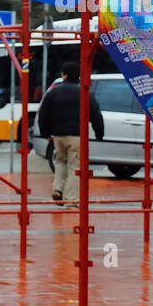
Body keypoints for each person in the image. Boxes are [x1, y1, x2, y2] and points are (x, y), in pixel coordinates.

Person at [35, 61, 104, 208]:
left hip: (58, 135)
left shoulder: (53, 92)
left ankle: (57, 189)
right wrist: (99, 134)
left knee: (60, 161)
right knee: (75, 167)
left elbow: (43, 114)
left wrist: (45, 133)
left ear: (64, 75)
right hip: (77, 136)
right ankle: (71, 199)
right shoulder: (85, 93)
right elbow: (96, 115)